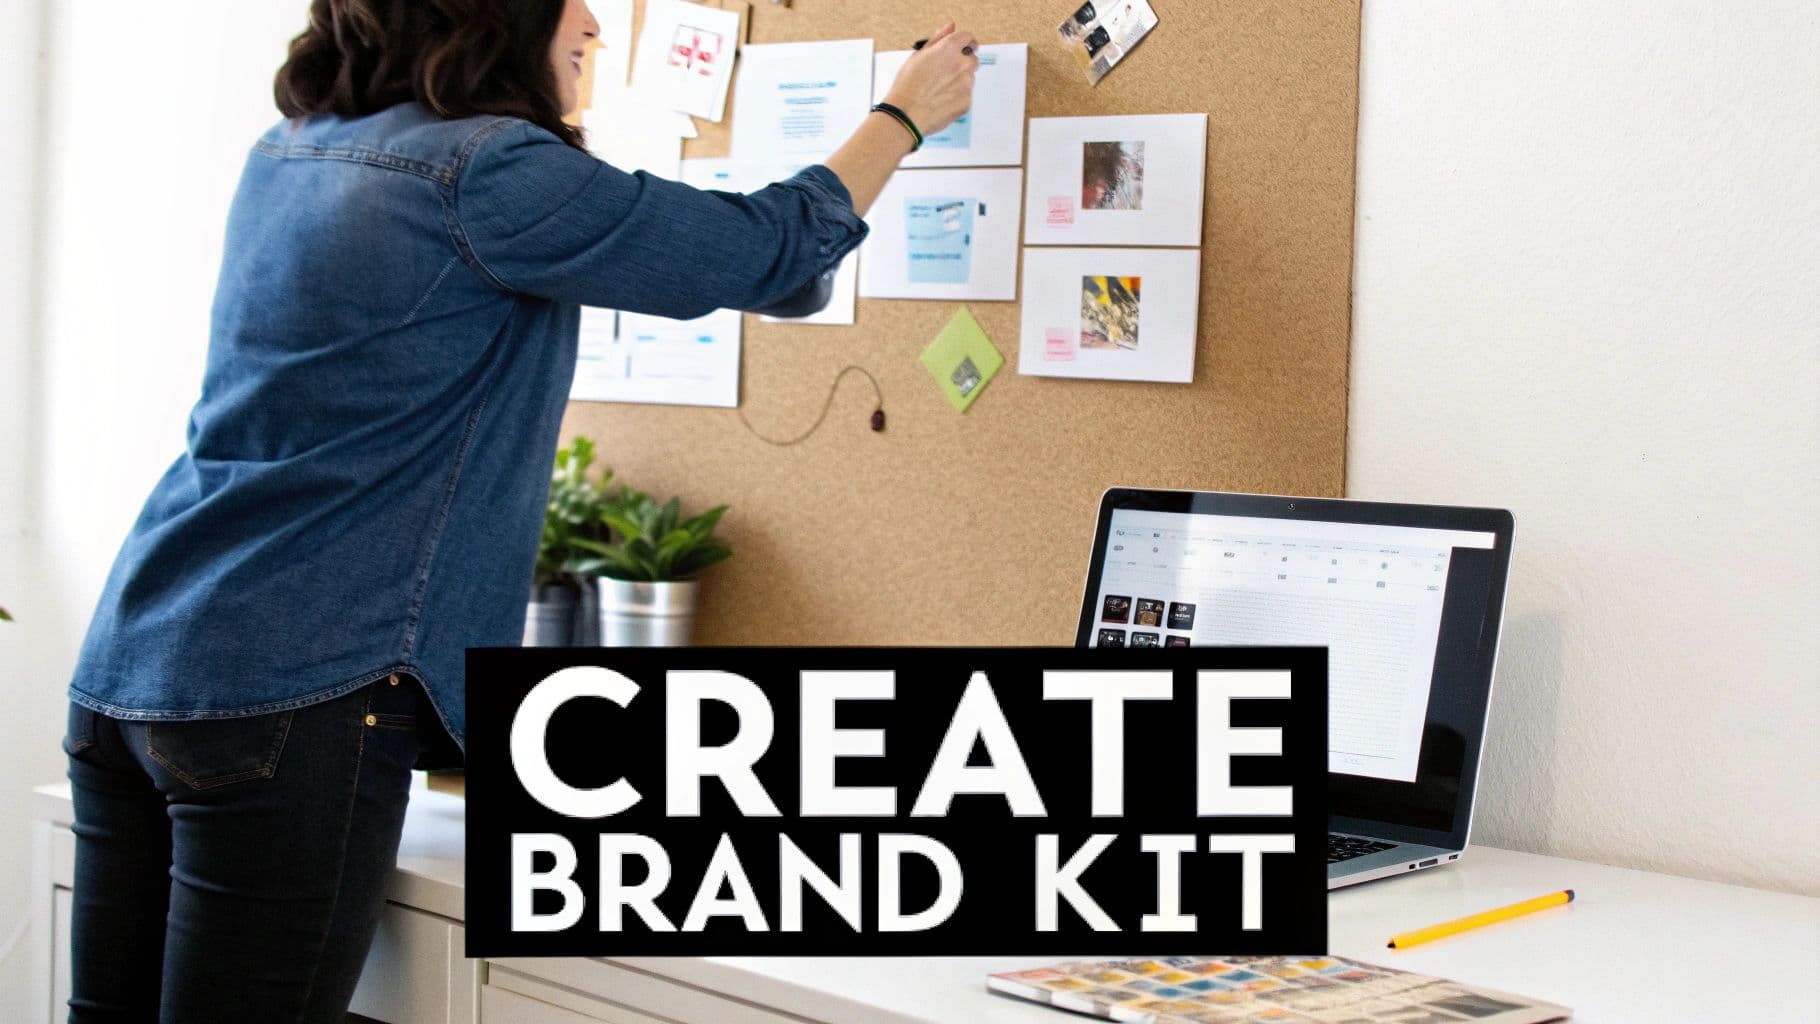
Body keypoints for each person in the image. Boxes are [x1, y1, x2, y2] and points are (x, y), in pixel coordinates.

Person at [59, 1, 977, 1020]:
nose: (592, 20)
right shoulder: (487, 171)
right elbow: (767, 250)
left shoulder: (292, 150)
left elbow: (774, 271)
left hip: (136, 659)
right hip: (292, 694)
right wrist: (901, 114)